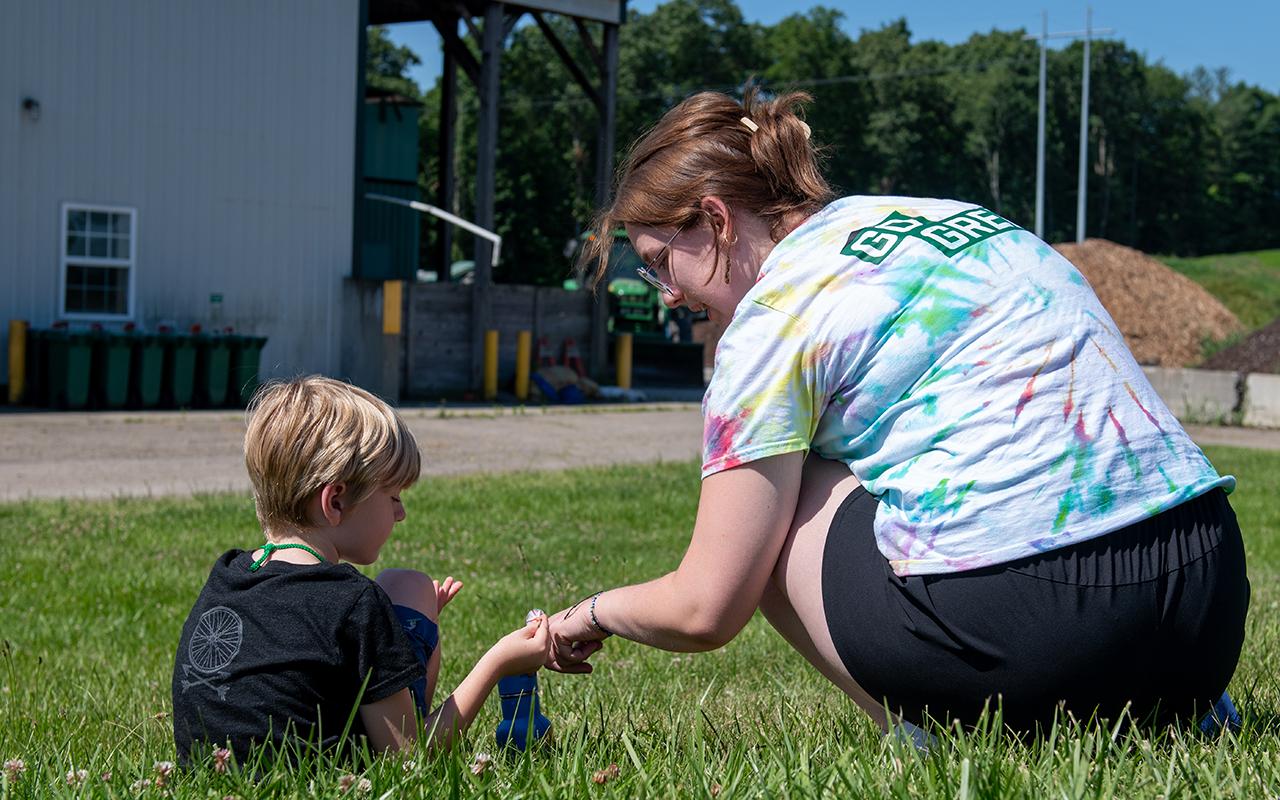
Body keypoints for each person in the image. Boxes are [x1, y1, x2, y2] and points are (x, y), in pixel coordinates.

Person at [546, 90, 1250, 734]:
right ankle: (1188, 710)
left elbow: (706, 608)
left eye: (660, 262)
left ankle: (922, 735)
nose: (666, 292)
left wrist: (592, 613)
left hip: (1040, 639)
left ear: (716, 220)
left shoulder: (771, 318)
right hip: (1207, 602)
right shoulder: (953, 220)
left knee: (772, 503)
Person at [171, 376, 551, 767]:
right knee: (411, 587)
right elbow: (410, 760)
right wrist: (498, 662)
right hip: (330, 781)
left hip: (212, 772)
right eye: (393, 497)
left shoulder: (229, 574)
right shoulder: (354, 603)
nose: (401, 514)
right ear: (334, 500)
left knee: (404, 587)